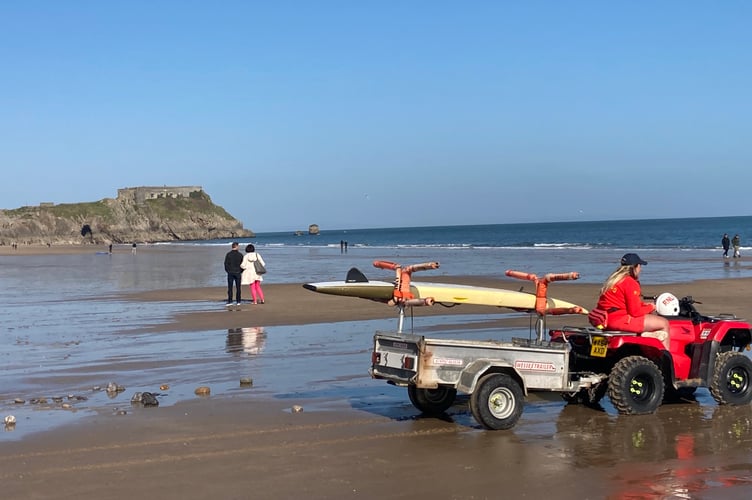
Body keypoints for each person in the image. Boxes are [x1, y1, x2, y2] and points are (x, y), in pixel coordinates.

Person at [594, 253, 670, 344]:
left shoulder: (613, 280)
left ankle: (645, 337)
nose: (640, 269)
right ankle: (666, 356)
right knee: (664, 323)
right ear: (635, 267)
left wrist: (644, 305)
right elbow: (635, 312)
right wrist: (651, 307)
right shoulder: (630, 282)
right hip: (619, 320)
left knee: (648, 317)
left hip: (605, 319)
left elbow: (623, 303)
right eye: (640, 266)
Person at [224, 242, 244, 306]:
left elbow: (226, 264)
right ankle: (238, 301)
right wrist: (241, 271)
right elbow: (242, 264)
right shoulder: (240, 255)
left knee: (230, 287)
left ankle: (230, 301)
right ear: (237, 246)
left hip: (231, 272)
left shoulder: (228, 254)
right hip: (237, 272)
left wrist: (228, 270)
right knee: (238, 287)